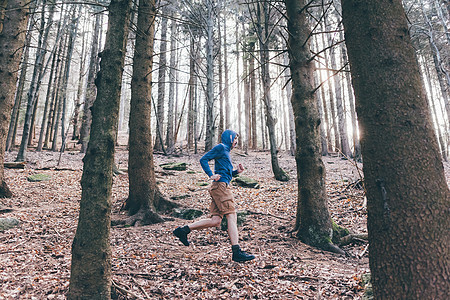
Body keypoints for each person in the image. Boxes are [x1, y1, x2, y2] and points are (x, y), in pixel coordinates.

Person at [173, 129, 255, 262]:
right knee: (232, 215)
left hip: (220, 186)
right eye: (235, 139)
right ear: (229, 138)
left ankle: (183, 230)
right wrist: (211, 175)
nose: (236, 142)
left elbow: (224, 172)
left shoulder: (225, 152)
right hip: (221, 187)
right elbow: (203, 159)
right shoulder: (221, 148)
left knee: (216, 221)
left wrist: (236, 172)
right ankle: (236, 251)